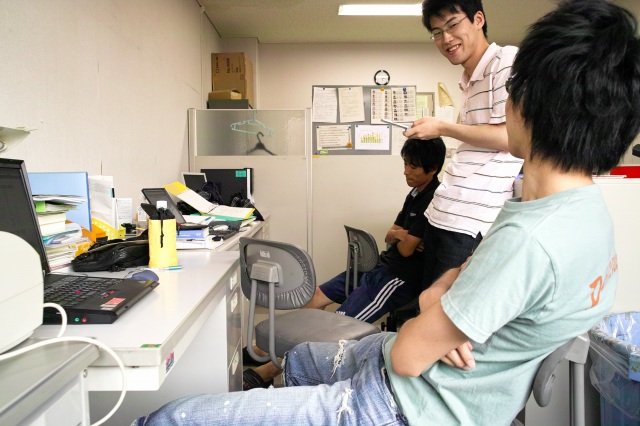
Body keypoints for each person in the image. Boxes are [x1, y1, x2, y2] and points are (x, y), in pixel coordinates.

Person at [132, 0, 640, 424]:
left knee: (172, 417)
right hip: (431, 374)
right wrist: (442, 304)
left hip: (409, 403)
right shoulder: (572, 211)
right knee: (303, 357)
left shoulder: (529, 236)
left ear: (531, 104)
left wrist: (437, 309)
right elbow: (451, 288)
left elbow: (409, 352)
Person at [242, 137, 446, 390]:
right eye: (405, 164)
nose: (405, 171)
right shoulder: (414, 194)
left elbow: (404, 250)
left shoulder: (434, 199)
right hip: (382, 266)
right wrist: (401, 234)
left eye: (412, 167)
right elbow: (390, 235)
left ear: (432, 168)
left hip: (398, 279)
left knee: (336, 327)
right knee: (318, 294)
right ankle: (268, 348)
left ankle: (268, 371)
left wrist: (400, 236)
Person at [406, 0, 524, 289]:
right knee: (429, 302)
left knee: (448, 311)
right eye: (436, 32)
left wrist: (442, 127)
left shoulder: (507, 60)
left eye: (452, 25)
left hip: (471, 219)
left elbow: (510, 138)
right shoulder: (467, 79)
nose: (446, 38)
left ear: (478, 19)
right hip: (443, 211)